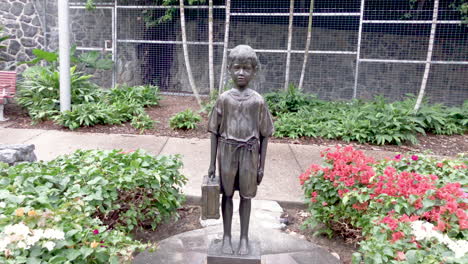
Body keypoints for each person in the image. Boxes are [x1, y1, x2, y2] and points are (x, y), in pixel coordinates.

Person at [207, 45, 274, 255]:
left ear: (254, 71)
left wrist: (262, 166)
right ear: (229, 69)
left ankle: (244, 238)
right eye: (237, 68)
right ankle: (226, 236)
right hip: (227, 152)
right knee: (226, 195)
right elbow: (214, 132)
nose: (241, 73)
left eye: (246, 68)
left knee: (246, 197)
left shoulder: (258, 101)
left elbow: (265, 135)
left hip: (250, 153)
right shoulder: (224, 99)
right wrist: (211, 164)